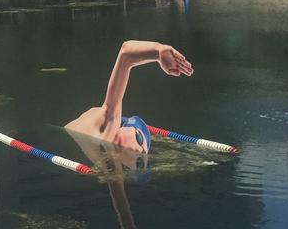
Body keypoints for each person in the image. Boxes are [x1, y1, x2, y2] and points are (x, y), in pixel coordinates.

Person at [65, 40, 193, 154]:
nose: (138, 151)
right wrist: (158, 50)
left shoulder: (106, 151)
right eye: (139, 139)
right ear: (125, 128)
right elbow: (125, 53)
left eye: (141, 155)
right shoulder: (109, 121)